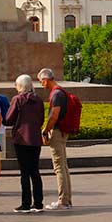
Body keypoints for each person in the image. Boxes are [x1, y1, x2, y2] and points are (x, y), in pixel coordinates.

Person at [4, 74, 44, 213]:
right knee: (35, 171)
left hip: (21, 139)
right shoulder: (38, 100)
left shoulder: (18, 99)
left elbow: (9, 119)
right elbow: (41, 119)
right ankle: (38, 203)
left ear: (20, 86)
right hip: (35, 138)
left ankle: (26, 203)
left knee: (24, 172)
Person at [37, 68, 73, 210]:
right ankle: (67, 199)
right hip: (62, 131)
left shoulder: (56, 94)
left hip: (57, 132)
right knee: (63, 166)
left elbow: (54, 115)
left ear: (46, 79)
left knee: (58, 167)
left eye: (41, 82)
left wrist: (46, 130)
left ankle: (63, 201)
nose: (41, 85)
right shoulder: (61, 91)